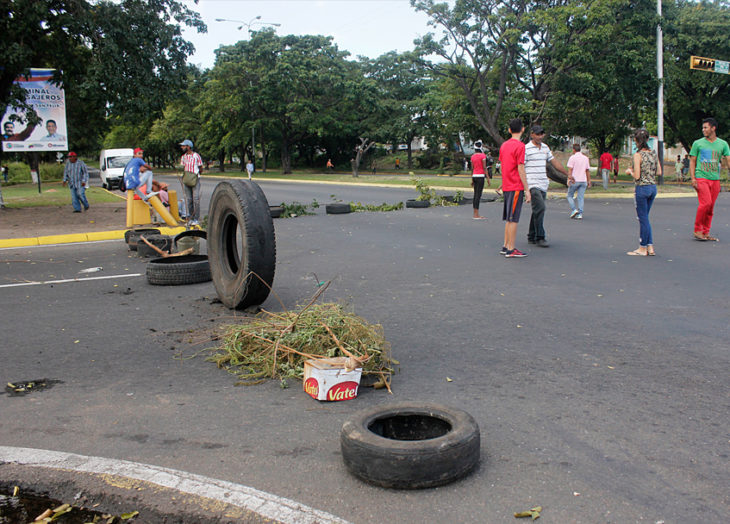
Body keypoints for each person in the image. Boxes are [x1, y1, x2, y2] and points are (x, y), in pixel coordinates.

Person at [524, 124, 569, 247]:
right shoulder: (526, 149)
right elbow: (520, 167)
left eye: (541, 134)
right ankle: (540, 237)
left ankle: (531, 235)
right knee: (541, 208)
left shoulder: (545, 148)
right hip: (532, 183)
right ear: (532, 134)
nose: (540, 136)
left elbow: (554, 162)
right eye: (537, 134)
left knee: (537, 210)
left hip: (543, 182)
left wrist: (567, 174)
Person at [689, 117, 730, 241]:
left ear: (713, 128)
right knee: (705, 203)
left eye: (706, 127)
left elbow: (728, 159)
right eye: (703, 128)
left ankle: (706, 232)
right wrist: (693, 178)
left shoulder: (723, 144)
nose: (703, 130)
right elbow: (692, 161)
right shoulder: (698, 143)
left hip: (715, 179)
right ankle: (697, 230)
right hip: (701, 177)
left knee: (710, 207)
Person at [498, 119, 530, 258]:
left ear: (509, 130)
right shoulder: (521, 146)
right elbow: (520, 167)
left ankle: (506, 245)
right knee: (514, 218)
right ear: (522, 129)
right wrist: (527, 188)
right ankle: (511, 248)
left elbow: (504, 166)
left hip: (507, 185)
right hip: (515, 185)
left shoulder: (504, 145)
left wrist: (502, 182)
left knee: (509, 218)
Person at [625, 129, 660, 256]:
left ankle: (642, 247)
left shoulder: (637, 155)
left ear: (636, 140)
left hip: (642, 188)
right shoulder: (654, 154)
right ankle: (650, 246)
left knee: (642, 218)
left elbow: (637, 176)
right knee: (645, 217)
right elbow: (659, 172)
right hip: (652, 187)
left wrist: (630, 172)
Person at [179, 139, 203, 226]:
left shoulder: (196, 156)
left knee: (196, 199)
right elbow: (183, 167)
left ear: (189, 147)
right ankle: (191, 218)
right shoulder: (183, 157)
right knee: (189, 200)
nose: (182, 147)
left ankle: (196, 218)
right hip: (186, 179)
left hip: (195, 179)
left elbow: (200, 167)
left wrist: (197, 174)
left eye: (184, 146)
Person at [566, 143, 591, 219]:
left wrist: (569, 179)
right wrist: (589, 180)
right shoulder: (585, 158)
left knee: (569, 196)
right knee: (580, 197)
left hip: (575, 180)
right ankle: (580, 213)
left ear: (573, 150)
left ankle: (574, 209)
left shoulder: (572, 158)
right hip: (583, 180)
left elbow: (570, 169)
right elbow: (587, 171)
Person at [470, 140, 490, 219]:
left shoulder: (472, 156)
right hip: (480, 176)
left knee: (475, 194)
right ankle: (476, 214)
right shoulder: (483, 156)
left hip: (474, 176)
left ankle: (475, 213)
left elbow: (472, 168)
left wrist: (472, 179)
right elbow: (484, 168)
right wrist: (488, 178)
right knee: (478, 195)